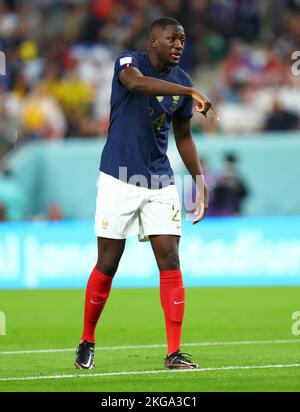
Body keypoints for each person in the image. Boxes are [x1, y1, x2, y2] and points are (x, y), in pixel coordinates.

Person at [75, 17, 217, 370]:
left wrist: (199, 182)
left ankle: (173, 352)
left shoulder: (182, 80)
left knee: (170, 260)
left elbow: (183, 137)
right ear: (153, 41)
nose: (179, 45)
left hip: (159, 181)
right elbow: (135, 85)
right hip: (118, 176)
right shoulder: (128, 62)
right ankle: (87, 340)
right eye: (173, 39)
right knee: (108, 262)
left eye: (182, 40)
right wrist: (188, 92)